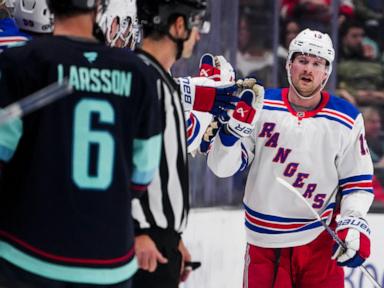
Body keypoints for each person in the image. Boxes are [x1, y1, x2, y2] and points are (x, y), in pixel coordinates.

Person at [0, 0, 162, 287]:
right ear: (99, 6)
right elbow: (142, 176)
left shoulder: (21, 62)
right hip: (109, 262)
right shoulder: (139, 74)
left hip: (27, 257)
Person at [207, 28, 374, 287]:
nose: (308, 69)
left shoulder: (346, 118)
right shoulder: (260, 106)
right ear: (289, 65)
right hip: (265, 243)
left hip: (320, 242)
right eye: (302, 60)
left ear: (326, 72)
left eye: (317, 63)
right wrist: (228, 138)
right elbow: (221, 167)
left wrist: (353, 222)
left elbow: (358, 183)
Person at [132, 0, 237, 287]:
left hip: (160, 241)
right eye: (196, 24)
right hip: (141, 244)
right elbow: (119, 162)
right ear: (178, 26)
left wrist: (173, 238)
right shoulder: (140, 80)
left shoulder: (160, 81)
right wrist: (138, 230)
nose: (198, 34)